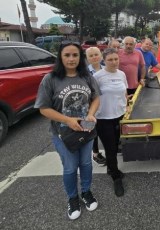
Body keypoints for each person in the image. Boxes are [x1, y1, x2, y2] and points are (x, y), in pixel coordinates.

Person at [34, 41, 100, 220]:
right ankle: (72, 198)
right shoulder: (51, 79)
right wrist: (67, 120)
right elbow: (43, 108)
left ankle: (86, 192)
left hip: (85, 130)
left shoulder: (86, 76)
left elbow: (95, 98)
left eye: (75, 55)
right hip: (63, 133)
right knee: (70, 168)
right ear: (60, 57)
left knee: (86, 164)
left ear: (80, 57)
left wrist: (92, 114)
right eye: (67, 55)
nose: (71, 59)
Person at [93, 48, 128, 197]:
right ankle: (115, 177)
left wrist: (125, 106)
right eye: (110, 60)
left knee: (115, 145)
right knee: (110, 148)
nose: (114, 62)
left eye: (116, 59)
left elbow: (124, 92)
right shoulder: (97, 77)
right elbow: (92, 97)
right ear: (104, 61)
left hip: (119, 115)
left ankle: (110, 168)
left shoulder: (121, 74)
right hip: (103, 118)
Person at [85, 47, 106, 165]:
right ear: (87, 58)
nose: (94, 57)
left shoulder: (106, 69)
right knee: (91, 131)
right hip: (89, 106)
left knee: (103, 129)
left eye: (96, 54)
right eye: (91, 55)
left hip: (104, 105)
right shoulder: (84, 73)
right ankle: (95, 153)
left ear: (101, 55)